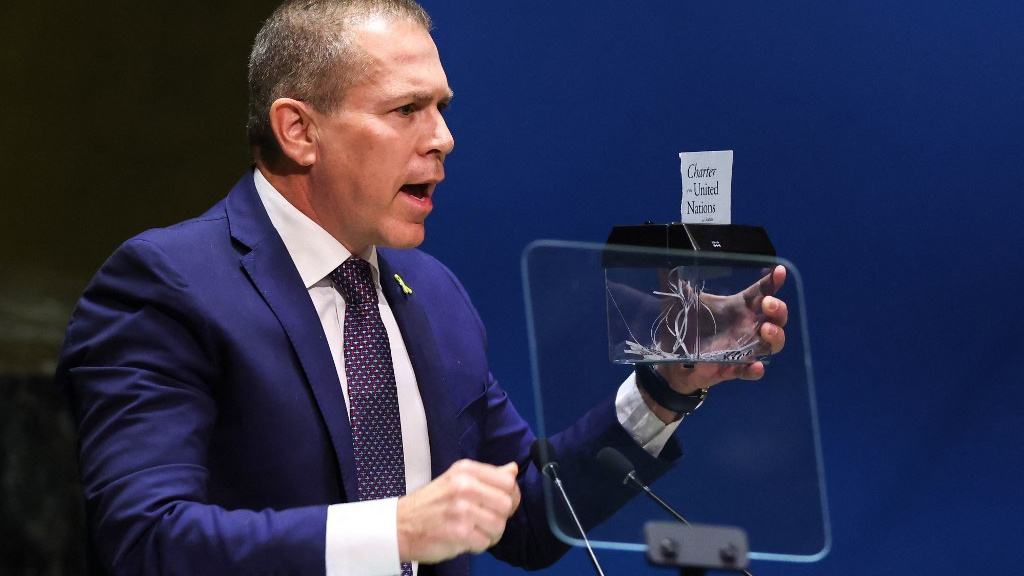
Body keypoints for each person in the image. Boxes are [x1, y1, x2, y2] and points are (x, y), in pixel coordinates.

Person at [55, 1, 789, 575]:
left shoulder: (431, 293)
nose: (443, 138)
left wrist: (664, 387)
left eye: (441, 107)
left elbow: (528, 518)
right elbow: (145, 542)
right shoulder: (167, 286)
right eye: (406, 110)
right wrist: (396, 529)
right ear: (298, 131)